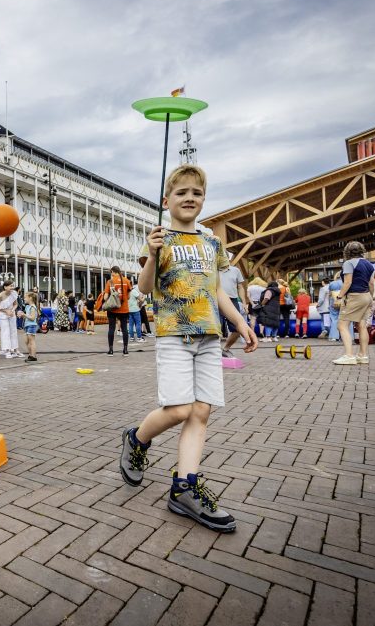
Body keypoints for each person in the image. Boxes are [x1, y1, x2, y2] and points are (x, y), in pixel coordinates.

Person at [118, 164, 258, 533]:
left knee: (201, 411)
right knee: (179, 409)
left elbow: (217, 290)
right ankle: (137, 439)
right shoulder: (160, 239)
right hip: (174, 336)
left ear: (204, 200)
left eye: (196, 193)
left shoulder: (212, 243)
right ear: (167, 201)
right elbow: (144, 288)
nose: (189, 198)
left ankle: (184, 488)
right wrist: (152, 255)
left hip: (209, 336)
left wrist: (240, 323)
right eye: (181, 192)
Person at [332, 241, 375, 365]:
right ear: (362, 250)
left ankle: (349, 356)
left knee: (342, 325)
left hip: (354, 296)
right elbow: (371, 283)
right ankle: (363, 356)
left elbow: (348, 282)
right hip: (366, 296)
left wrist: (339, 297)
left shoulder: (349, 263)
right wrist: (371, 298)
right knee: (362, 326)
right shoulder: (369, 264)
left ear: (347, 252)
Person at [101, 267, 132, 356]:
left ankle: (111, 350)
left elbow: (105, 297)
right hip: (124, 308)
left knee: (111, 329)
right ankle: (125, 350)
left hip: (112, 309)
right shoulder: (127, 281)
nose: (111, 274)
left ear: (114, 272)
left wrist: (105, 296)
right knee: (124, 329)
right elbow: (129, 297)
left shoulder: (110, 282)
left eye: (112, 273)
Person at [219, 262, 246, 356]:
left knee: (238, 329)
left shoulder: (235, 270)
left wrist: (244, 302)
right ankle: (215, 351)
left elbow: (240, 287)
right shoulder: (213, 269)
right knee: (215, 329)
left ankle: (225, 349)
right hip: (216, 300)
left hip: (233, 300)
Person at [0, 281, 21, 357]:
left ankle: (15, 350)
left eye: (12, 286)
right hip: (3, 315)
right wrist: (6, 311)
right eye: (10, 286)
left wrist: (12, 310)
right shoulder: (0, 295)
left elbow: (16, 304)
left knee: (13, 331)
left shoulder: (14, 293)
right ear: (5, 287)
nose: (12, 287)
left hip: (11, 314)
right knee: (5, 332)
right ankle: (7, 350)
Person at [24, 291, 40, 361]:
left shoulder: (33, 307)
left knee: (31, 341)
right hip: (27, 325)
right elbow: (28, 316)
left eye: (25, 297)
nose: (24, 299)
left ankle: (33, 356)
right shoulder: (28, 307)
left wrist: (24, 315)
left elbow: (32, 318)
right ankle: (30, 355)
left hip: (32, 325)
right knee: (27, 341)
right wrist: (22, 315)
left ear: (30, 298)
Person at [328, 272, 344, 341]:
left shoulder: (332, 284)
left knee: (334, 319)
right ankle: (345, 336)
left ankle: (334, 336)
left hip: (334, 302)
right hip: (344, 302)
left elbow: (329, 294)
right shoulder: (345, 283)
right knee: (345, 319)